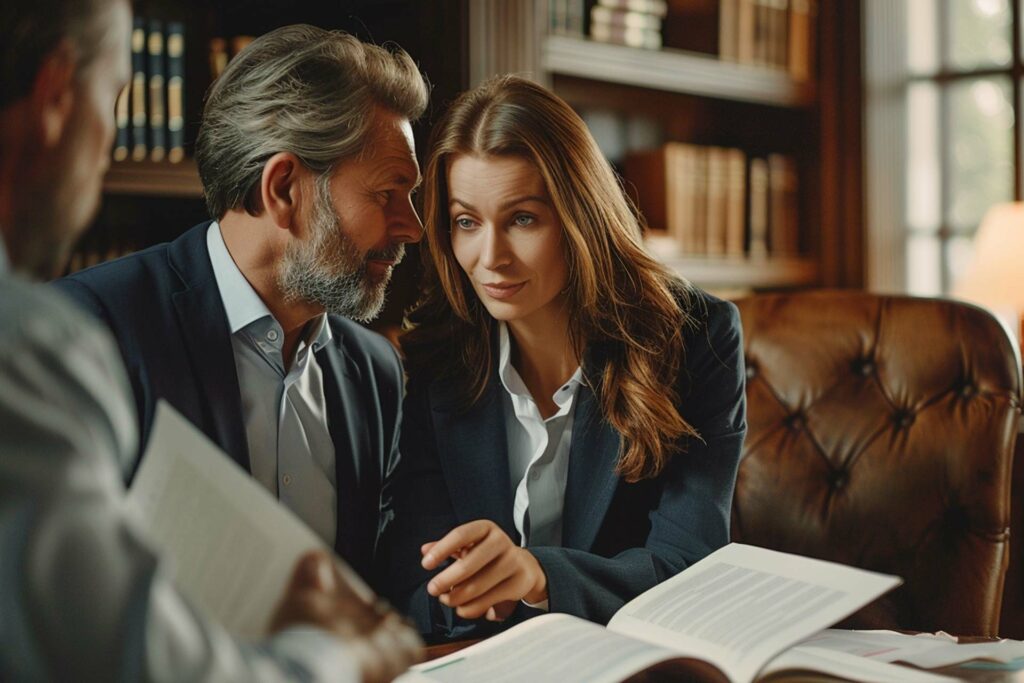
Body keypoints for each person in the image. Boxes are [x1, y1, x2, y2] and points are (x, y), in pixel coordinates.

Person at [0, 1, 421, 680]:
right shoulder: (89, 333)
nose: (413, 228)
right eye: (390, 193)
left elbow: (386, 591)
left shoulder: (376, 371)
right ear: (284, 187)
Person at [378, 75, 747, 640]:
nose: (491, 257)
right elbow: (411, 589)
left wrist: (536, 575)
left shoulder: (695, 339)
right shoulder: (437, 357)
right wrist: (465, 594)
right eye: (466, 222)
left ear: (580, 219)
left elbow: (688, 570)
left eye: (523, 218)